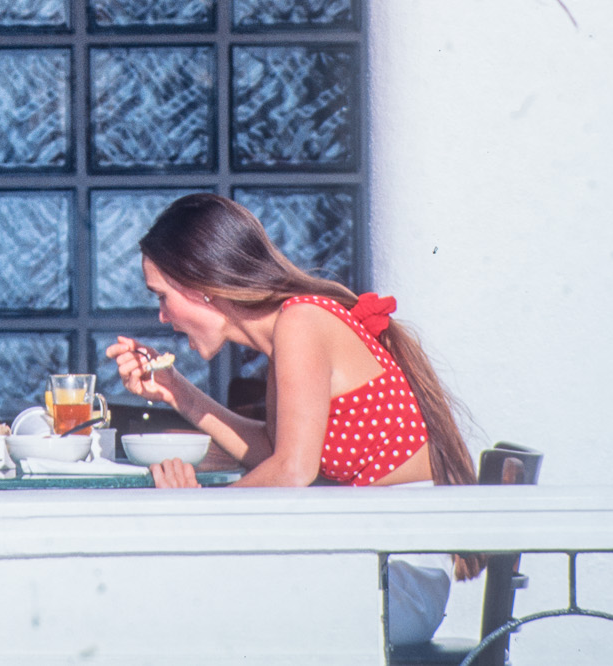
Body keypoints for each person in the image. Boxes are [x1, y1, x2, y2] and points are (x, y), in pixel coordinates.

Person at [105, 193, 475, 646]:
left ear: (201, 283)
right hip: (372, 561)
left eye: (162, 296)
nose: (162, 316)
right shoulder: (291, 329)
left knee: (189, 605)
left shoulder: (301, 322)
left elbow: (294, 471)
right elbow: (274, 453)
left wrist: (197, 513)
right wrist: (176, 391)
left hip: (392, 581)